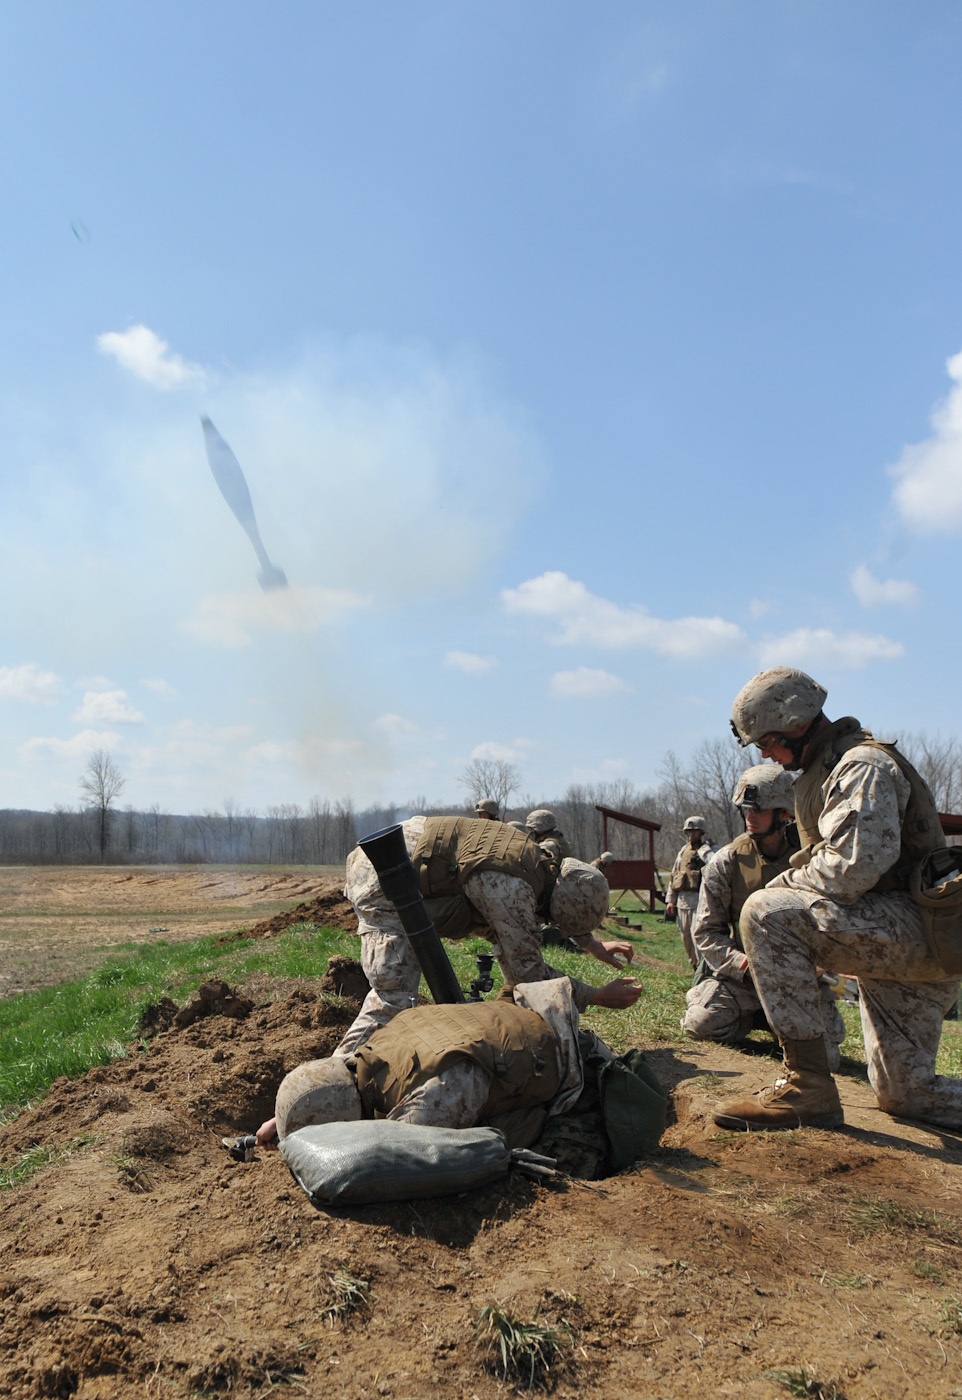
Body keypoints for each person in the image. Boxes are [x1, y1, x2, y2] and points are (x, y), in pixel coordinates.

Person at [714, 665, 962, 1132]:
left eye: (767, 740)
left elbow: (852, 868)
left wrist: (779, 888)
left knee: (768, 914)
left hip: (915, 929)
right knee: (906, 1095)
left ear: (796, 721)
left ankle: (808, 1086)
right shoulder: (826, 768)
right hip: (904, 932)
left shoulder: (860, 766)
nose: (766, 752)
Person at [333, 815, 637, 1060]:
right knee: (393, 996)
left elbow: (520, 945)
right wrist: (595, 995)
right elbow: (528, 977)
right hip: (384, 872)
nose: (544, 923)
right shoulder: (513, 891)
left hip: (405, 850)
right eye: (550, 921)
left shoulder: (536, 861)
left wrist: (593, 944)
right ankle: (330, 1082)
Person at [256, 973, 642, 1149]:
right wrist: (293, 1108)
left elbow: (414, 1155)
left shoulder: (429, 1105)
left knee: (513, 1146)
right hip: (541, 1011)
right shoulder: (379, 1044)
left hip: (578, 1068)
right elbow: (332, 1079)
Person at [682, 764, 845, 1067]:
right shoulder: (727, 862)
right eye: (746, 809)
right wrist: (742, 964)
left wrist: (822, 963)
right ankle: (743, 1012)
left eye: (759, 809)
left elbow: (834, 919)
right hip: (744, 978)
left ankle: (781, 1022)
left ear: (784, 814)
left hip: (799, 978)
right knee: (701, 1023)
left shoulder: (813, 861)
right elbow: (706, 932)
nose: (750, 817)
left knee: (827, 1057)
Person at [666, 817, 717, 969]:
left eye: (694, 831)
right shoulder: (684, 850)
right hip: (682, 901)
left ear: (702, 832)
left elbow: (716, 864)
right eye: (688, 832)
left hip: (702, 900)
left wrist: (704, 851)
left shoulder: (711, 849)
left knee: (698, 938)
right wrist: (670, 900)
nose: (690, 835)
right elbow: (675, 874)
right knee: (686, 938)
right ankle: (696, 968)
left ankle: (704, 971)